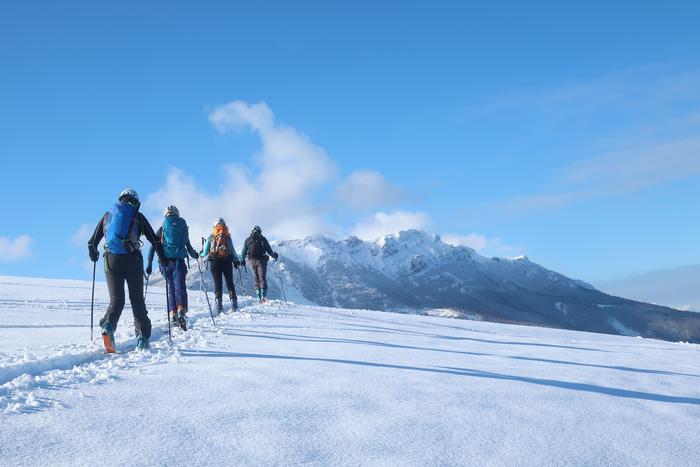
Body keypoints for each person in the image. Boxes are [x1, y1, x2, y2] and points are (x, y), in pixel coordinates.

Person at [87, 188, 165, 352]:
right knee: (137, 300)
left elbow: (92, 242)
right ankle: (142, 337)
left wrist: (93, 253)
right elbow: (154, 240)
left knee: (116, 300)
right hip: (132, 260)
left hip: (111, 260)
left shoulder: (108, 215)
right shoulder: (137, 216)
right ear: (135, 201)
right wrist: (163, 258)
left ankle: (108, 325)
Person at [146, 205, 199, 331]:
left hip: (165, 263)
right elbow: (189, 247)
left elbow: (153, 246)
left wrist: (149, 264)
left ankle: (172, 315)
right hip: (179, 262)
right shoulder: (182, 227)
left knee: (171, 288)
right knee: (180, 287)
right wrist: (195, 255)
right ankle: (181, 310)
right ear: (177, 213)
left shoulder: (163, 228)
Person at [200, 218, 241, 314]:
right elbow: (232, 250)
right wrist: (236, 261)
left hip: (214, 262)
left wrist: (201, 254)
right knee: (229, 283)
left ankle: (219, 305)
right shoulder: (227, 236)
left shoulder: (211, 236)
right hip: (227, 261)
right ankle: (234, 304)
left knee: (218, 284)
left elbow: (205, 252)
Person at [240, 225, 278, 302]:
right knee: (262, 277)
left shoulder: (248, 240)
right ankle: (263, 296)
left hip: (251, 260)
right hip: (261, 260)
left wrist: (242, 260)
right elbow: (269, 250)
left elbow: (244, 251)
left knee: (256, 277)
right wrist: (274, 255)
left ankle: (258, 296)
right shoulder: (263, 239)